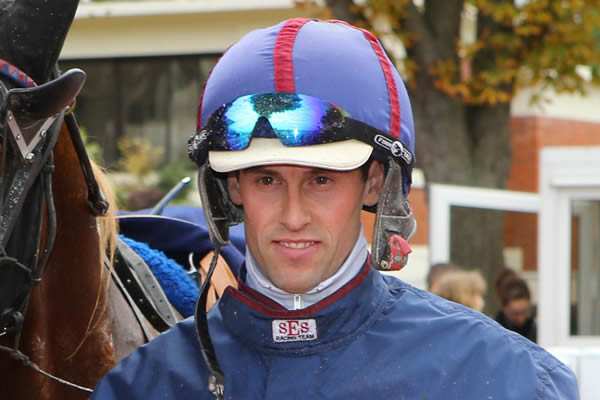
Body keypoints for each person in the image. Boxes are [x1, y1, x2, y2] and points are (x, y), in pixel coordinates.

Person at [92, 18, 578, 399]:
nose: (293, 216)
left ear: (375, 183)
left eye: (321, 180)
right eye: (266, 180)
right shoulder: (140, 387)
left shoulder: (509, 379)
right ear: (232, 188)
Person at [495, 268, 537, 342]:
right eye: (515, 314)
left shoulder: (535, 328)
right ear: (504, 308)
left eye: (524, 312)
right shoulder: (495, 331)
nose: (521, 319)